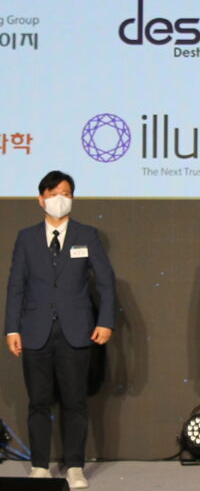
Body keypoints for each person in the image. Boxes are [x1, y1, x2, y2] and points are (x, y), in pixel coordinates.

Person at [4, 171, 116, 489]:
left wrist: (105, 321)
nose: (59, 199)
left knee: (75, 401)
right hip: (35, 330)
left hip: (76, 331)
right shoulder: (26, 238)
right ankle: (39, 465)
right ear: (41, 199)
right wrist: (11, 328)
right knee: (38, 402)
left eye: (65, 193)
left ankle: (75, 466)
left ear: (73, 198)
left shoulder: (87, 234)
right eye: (53, 194)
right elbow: (16, 286)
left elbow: (106, 282)